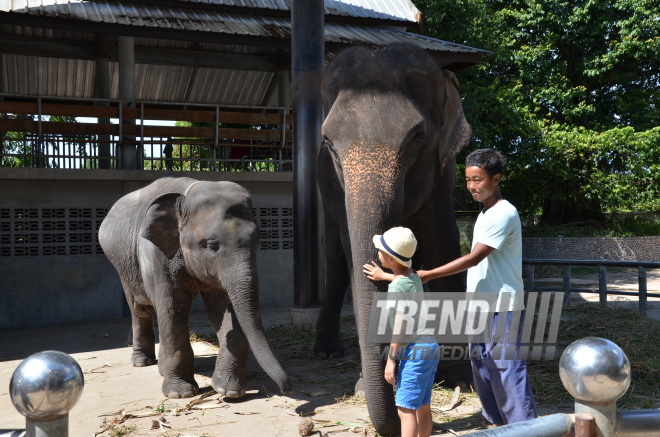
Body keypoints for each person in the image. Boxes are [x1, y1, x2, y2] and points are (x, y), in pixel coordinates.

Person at [363, 149, 537, 426]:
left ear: (497, 178)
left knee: (506, 368)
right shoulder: (485, 213)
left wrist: (430, 274)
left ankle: (526, 429)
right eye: (468, 180)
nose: (472, 186)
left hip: (503, 305)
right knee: (481, 367)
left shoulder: (503, 213)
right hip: (480, 304)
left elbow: (475, 257)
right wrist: (388, 277)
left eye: (478, 179)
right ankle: (495, 424)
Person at [372, 226, 440, 437]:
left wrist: (391, 359)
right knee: (423, 405)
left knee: (405, 409)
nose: (378, 254)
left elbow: (400, 326)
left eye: (381, 251)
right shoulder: (412, 277)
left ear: (391, 259)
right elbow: (404, 282)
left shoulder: (396, 288)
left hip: (414, 351)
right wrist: (385, 276)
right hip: (431, 347)